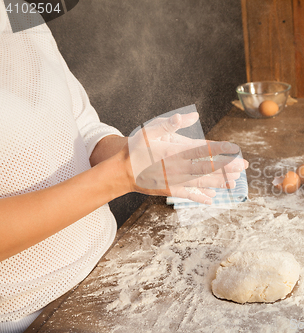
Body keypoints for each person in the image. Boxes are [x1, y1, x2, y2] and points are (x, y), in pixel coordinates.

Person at [0, 1, 247, 332]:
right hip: (26, 315)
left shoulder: (16, 11)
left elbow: (82, 127)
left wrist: (139, 156)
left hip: (105, 269)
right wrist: (120, 175)